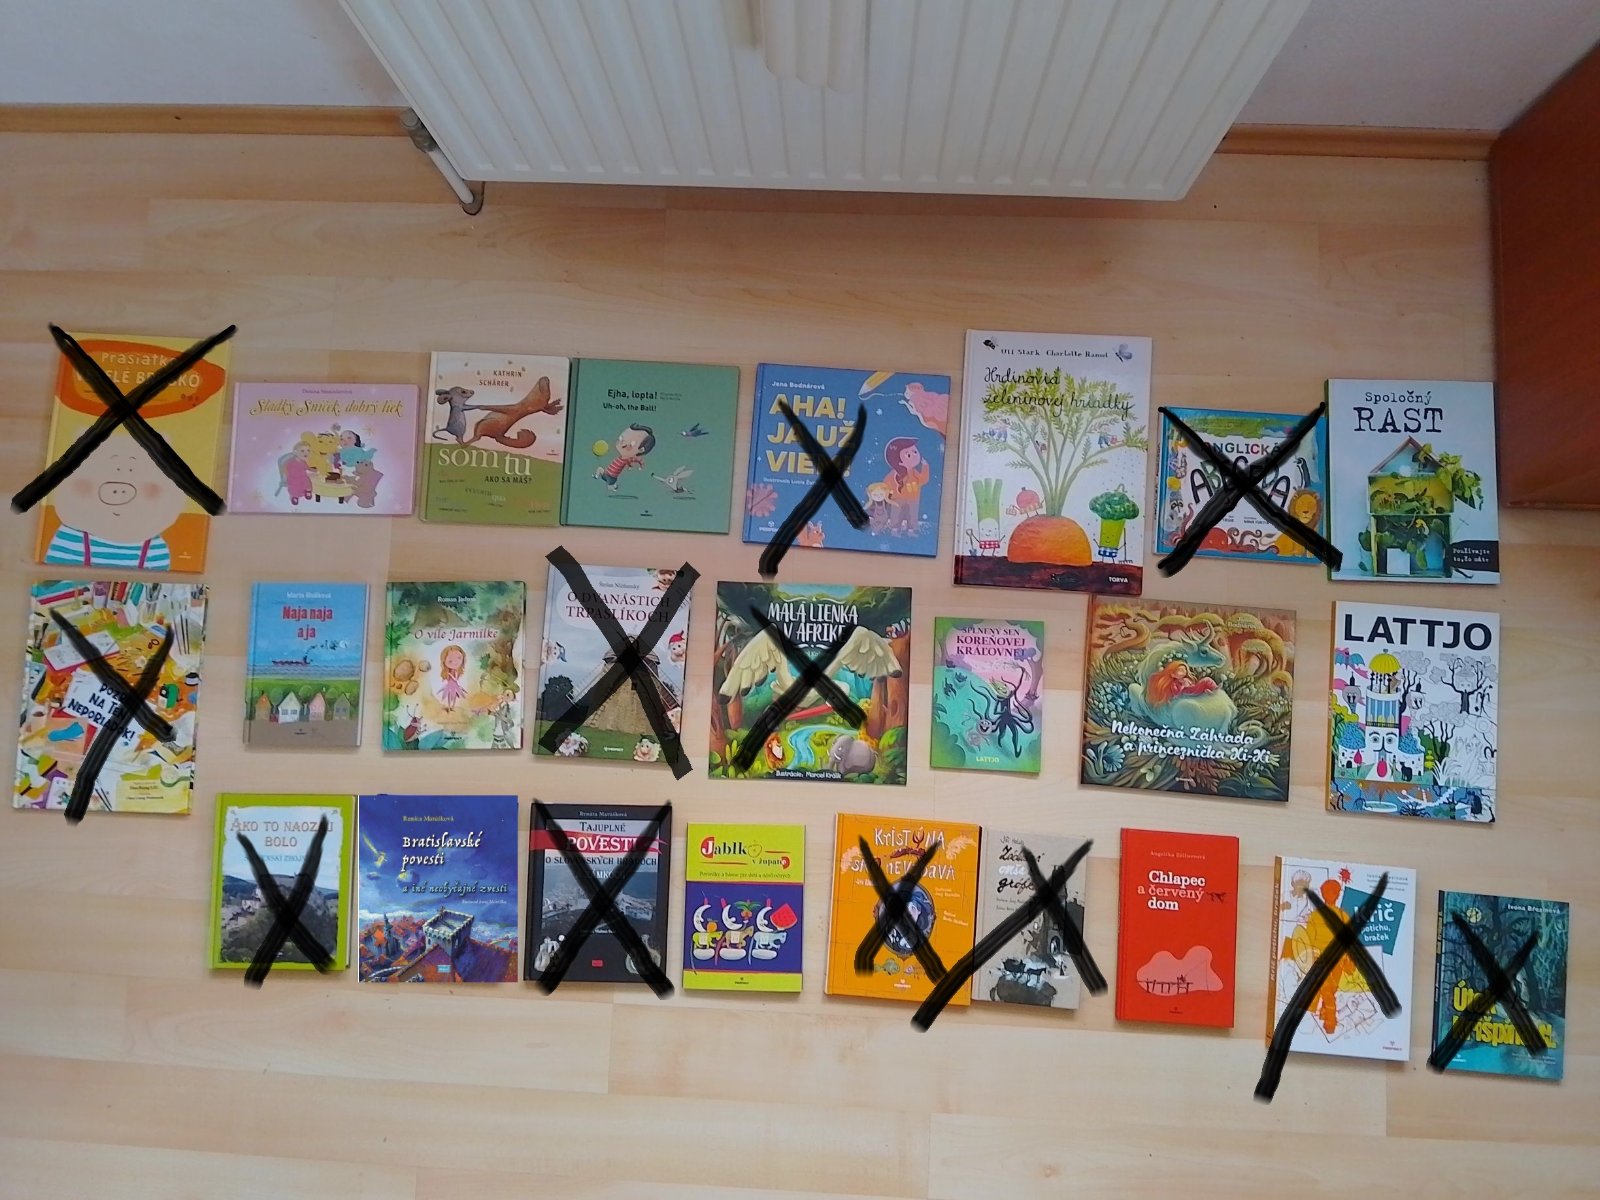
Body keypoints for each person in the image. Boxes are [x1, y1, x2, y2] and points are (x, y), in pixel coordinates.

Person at [882, 435, 929, 534]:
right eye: (908, 455)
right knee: (896, 514)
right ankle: (894, 529)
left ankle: (911, 529)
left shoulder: (914, 473)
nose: (914, 456)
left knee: (912, 514)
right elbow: (886, 484)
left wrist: (925, 467)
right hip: (898, 498)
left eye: (915, 452)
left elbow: (923, 480)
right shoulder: (894, 475)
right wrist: (889, 494)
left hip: (913, 498)